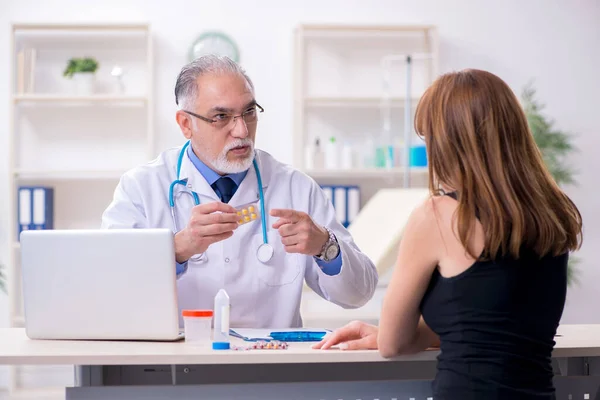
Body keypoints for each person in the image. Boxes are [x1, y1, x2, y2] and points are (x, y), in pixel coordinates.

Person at [313, 69, 583, 399]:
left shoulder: (438, 215)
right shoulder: (552, 213)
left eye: (429, 138)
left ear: (451, 142)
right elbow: (492, 324)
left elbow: (393, 344)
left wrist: (388, 334)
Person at [101, 55, 378, 328]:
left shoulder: (296, 187)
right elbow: (109, 292)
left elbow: (358, 294)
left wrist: (325, 246)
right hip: (176, 364)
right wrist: (176, 250)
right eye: (221, 116)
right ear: (186, 124)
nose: (242, 130)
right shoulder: (141, 188)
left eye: (249, 112)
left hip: (268, 365)